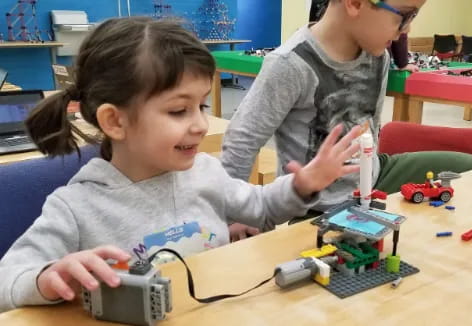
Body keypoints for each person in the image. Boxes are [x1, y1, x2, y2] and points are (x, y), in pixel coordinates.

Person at [0, 17, 363, 312]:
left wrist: (302, 185)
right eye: (178, 110)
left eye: (202, 106)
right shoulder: (76, 206)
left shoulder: (206, 173)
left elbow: (261, 205)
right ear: (115, 122)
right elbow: (8, 279)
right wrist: (47, 277)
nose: (201, 124)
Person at [221, 0, 472, 238]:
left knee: (468, 166)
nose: (407, 30)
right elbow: (241, 142)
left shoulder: (378, 56)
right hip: (316, 207)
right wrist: (235, 216)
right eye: (404, 16)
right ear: (355, 3)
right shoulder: (290, 64)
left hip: (375, 177)